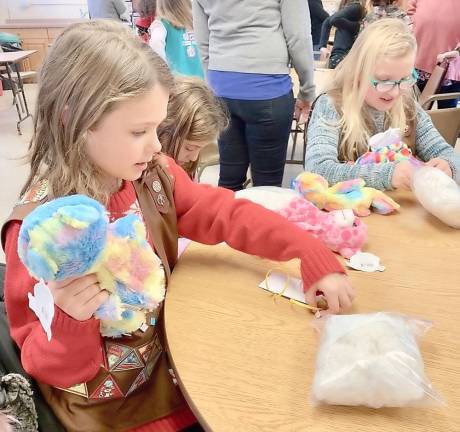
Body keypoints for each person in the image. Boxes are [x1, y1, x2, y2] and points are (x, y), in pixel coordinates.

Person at [1, 20, 354, 432]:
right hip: (110, 409)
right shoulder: (42, 235)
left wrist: (307, 249)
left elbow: (226, 213)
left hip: (172, 363)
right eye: (139, 131)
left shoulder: (153, 174)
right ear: (73, 119)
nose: (155, 145)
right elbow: (52, 369)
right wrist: (70, 319)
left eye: (157, 127)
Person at [304, 18, 460, 191]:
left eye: (404, 80)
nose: (395, 92)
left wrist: (449, 166)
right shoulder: (331, 106)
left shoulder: (408, 107)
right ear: (357, 72)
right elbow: (317, 170)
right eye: (384, 81)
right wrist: (386, 175)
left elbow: (446, 153)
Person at [193, 0, 316, 191]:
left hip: (221, 85)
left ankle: (226, 220)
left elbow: (202, 41)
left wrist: (215, 83)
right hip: (268, 86)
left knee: (229, 180)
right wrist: (307, 90)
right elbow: (298, 37)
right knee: (267, 187)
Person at [158, 76, 228, 178]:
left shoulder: (186, 166)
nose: (194, 158)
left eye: (200, 149)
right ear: (164, 129)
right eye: (189, 148)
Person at [408, 0, 460, 109]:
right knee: (414, 111)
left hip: (452, 67)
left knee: (447, 114)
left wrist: (458, 51)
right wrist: (412, 26)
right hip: (419, 61)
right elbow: (410, 12)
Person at [149, 0, 204, 78]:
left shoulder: (161, 25)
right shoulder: (198, 21)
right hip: (202, 81)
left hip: (178, 83)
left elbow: (155, 48)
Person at [319, 0, 366, 69]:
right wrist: (357, 26)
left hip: (338, 57)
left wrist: (323, 46)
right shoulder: (356, 7)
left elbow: (328, 21)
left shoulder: (350, 8)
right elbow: (333, 20)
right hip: (344, 57)